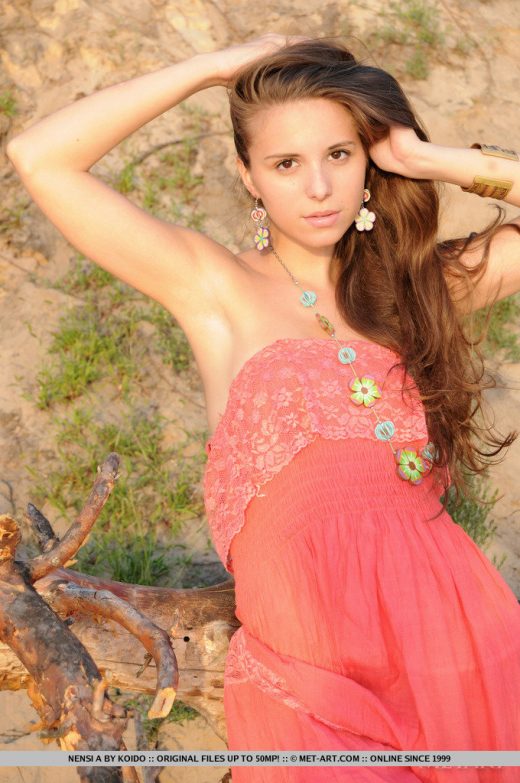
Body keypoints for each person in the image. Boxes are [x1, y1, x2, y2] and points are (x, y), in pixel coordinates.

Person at [6, 33, 520, 782]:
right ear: (246, 173)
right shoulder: (213, 288)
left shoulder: (417, 290)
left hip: (454, 638)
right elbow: (40, 157)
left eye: (339, 154)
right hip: (310, 672)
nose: (319, 187)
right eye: (286, 164)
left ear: (370, 160)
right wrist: (213, 68)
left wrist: (429, 158)